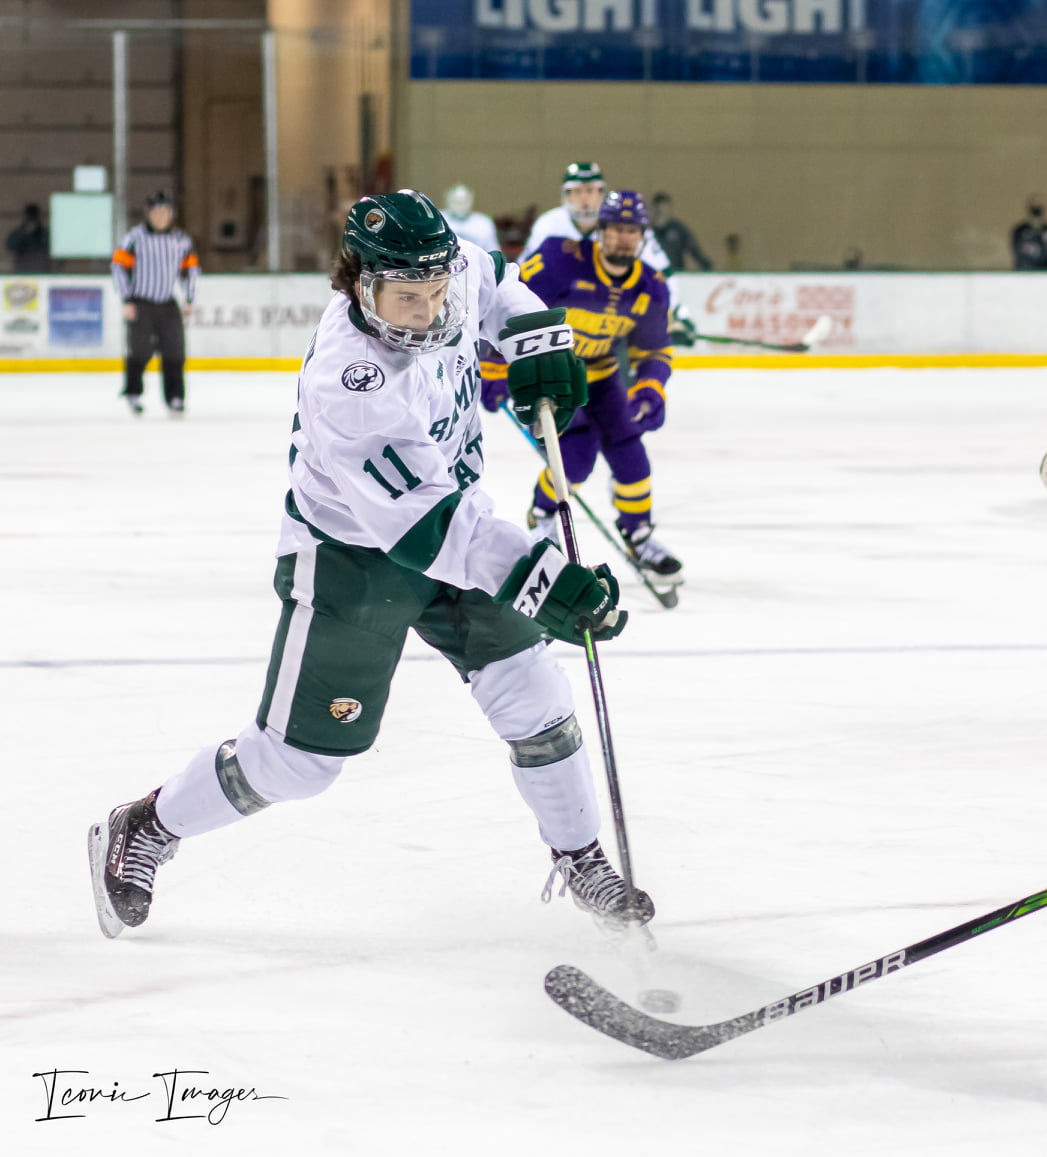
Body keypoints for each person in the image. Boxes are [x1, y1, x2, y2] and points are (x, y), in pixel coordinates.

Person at [88, 190, 649, 943]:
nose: (426, 310)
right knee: (300, 764)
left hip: (460, 523)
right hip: (355, 558)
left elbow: (499, 284)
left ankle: (581, 856)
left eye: (434, 291)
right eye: (406, 297)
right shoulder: (348, 383)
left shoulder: (449, 273)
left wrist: (536, 343)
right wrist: (543, 581)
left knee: (534, 696)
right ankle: (146, 824)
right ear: (362, 285)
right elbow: (426, 528)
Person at [494, 189, 683, 591]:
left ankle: (639, 534)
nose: (622, 238)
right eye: (615, 228)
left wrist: (651, 388)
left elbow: (653, 348)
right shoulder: (560, 260)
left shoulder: (651, 286)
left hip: (602, 377)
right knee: (576, 460)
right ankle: (543, 516)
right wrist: (491, 365)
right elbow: (503, 303)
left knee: (632, 458)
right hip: (550, 376)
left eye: (631, 231)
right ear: (600, 231)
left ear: (643, 236)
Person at [523, 162, 696, 346]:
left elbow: (661, 276)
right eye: (577, 191)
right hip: (561, 321)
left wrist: (676, 312)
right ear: (565, 196)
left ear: (601, 193)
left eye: (590, 191)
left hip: (613, 322)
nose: (585, 200)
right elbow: (526, 279)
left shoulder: (628, 225)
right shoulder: (548, 226)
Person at [111, 191, 198, 417]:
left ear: (171, 214)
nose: (161, 217)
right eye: (156, 212)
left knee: (175, 351)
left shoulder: (181, 240)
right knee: (139, 351)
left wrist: (188, 299)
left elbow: (190, 271)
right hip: (141, 303)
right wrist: (126, 299)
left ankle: (175, 397)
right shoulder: (134, 238)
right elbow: (119, 268)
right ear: (148, 214)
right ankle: (133, 392)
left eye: (165, 212)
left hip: (168, 304)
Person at [650, 193, 712, 272]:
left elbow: (693, 248)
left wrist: (704, 263)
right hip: (653, 274)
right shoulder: (647, 230)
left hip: (675, 273)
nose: (661, 211)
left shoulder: (678, 229)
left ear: (669, 209)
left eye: (665, 208)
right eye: (658, 208)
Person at [441, 184, 500, 252]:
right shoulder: (439, 221)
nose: (460, 206)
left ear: (471, 201)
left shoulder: (484, 222)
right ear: (447, 200)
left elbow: (493, 251)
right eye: (456, 201)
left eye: (464, 201)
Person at [1010, 196, 1047, 270]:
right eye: (1034, 206)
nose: (1036, 208)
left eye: (1038, 206)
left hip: (1045, 272)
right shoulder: (1020, 230)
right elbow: (1017, 251)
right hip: (1024, 271)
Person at [5, 202, 51, 272]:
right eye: (29, 217)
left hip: (42, 271)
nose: (31, 221)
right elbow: (10, 247)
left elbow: (50, 249)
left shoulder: (45, 234)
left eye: (34, 217)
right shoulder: (18, 233)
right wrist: (23, 233)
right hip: (22, 271)